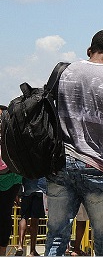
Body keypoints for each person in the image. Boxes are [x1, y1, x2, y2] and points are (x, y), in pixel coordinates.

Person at [45, 29, 103, 256]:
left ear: (89, 50)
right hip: (96, 167)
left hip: (60, 163)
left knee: (56, 236)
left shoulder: (64, 72)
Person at [0, 103, 23, 256]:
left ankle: (2, 251)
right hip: (10, 178)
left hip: (11, 179)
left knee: (3, 215)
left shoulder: (14, 134)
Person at [16, 177, 47, 257]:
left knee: (23, 217)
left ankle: (20, 245)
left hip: (27, 187)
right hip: (40, 188)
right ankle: (32, 250)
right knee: (35, 219)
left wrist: (18, 193)